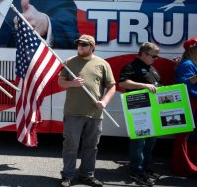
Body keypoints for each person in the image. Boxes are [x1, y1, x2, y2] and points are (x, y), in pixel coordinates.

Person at [58, 34, 116, 187]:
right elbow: (60, 82)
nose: (81, 47)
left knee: (91, 147)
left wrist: (104, 102)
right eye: (79, 44)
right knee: (71, 146)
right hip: (73, 112)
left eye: (84, 45)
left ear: (92, 47)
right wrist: (72, 83)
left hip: (95, 113)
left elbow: (112, 86)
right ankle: (67, 176)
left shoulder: (102, 64)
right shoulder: (69, 62)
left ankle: (87, 175)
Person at [118, 42, 162, 186]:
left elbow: (157, 87)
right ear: (143, 53)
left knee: (151, 141)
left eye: (156, 56)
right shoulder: (132, 66)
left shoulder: (152, 69)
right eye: (153, 56)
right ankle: (136, 171)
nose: (156, 58)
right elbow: (123, 83)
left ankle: (146, 168)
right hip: (139, 110)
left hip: (153, 110)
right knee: (139, 143)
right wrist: (144, 85)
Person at [172, 37, 197, 176]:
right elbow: (185, 85)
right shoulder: (187, 64)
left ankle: (189, 164)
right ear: (193, 49)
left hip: (192, 102)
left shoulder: (191, 63)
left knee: (190, 136)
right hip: (188, 102)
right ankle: (182, 166)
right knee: (183, 136)